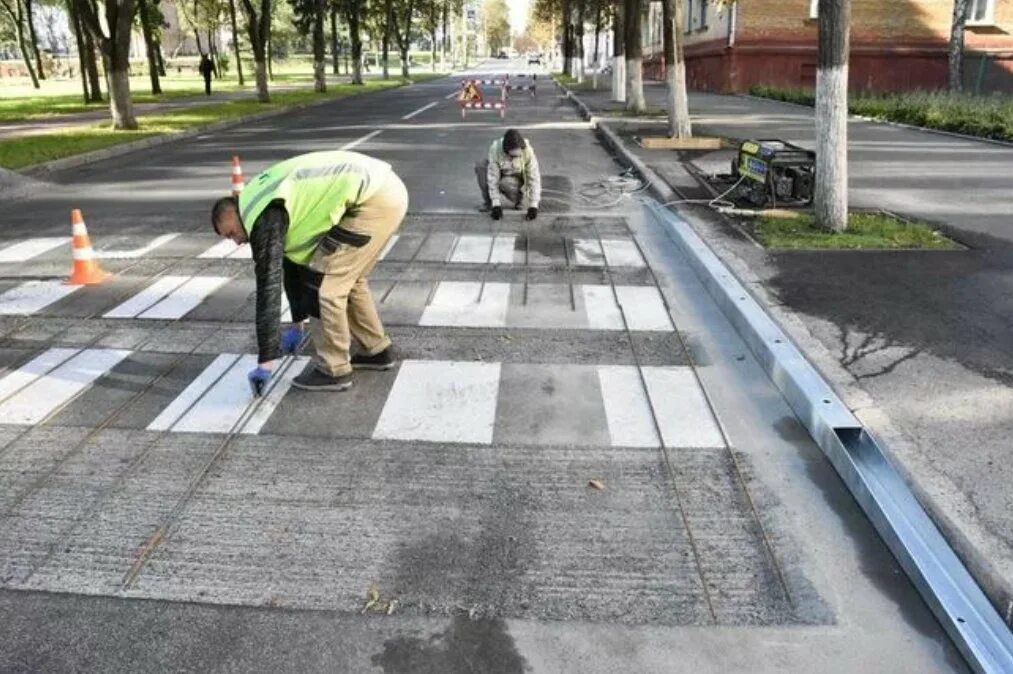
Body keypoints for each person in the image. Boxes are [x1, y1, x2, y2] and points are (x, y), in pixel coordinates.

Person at [210, 150, 408, 393]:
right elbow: (292, 267)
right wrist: (297, 322)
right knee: (348, 280)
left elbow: (268, 288)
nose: (237, 242)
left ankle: (334, 370)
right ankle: (377, 350)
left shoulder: (262, 218)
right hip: (384, 190)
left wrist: (265, 361)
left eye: (231, 233)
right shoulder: (258, 200)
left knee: (325, 286)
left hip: (371, 201)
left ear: (234, 213)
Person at [476, 129, 541, 221]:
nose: (516, 157)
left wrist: (534, 205)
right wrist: (496, 204)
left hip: (516, 179)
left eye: (518, 154)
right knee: (481, 166)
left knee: (505, 182)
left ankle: (519, 199)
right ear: (506, 151)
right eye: (513, 156)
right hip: (501, 173)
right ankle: (489, 202)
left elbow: (534, 178)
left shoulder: (528, 151)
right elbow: (493, 177)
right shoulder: (495, 149)